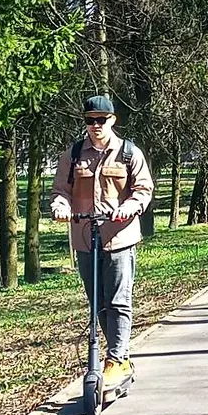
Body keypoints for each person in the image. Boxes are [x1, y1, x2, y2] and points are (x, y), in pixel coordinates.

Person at [51, 95, 154, 390]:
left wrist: (130, 206)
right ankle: (117, 358)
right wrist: (61, 206)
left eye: (101, 120)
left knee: (119, 301)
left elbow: (144, 189)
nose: (95, 126)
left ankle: (116, 358)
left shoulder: (128, 153)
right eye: (90, 120)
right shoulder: (72, 155)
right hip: (85, 239)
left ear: (112, 120)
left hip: (120, 237)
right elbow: (61, 191)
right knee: (98, 302)